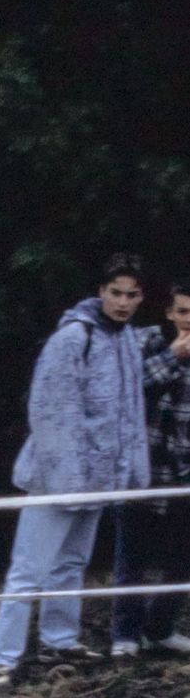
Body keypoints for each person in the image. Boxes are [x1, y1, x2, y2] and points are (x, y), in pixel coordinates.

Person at [0, 255, 148, 689]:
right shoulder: (74, 338)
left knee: (71, 563)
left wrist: (126, 470)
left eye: (132, 294)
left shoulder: (126, 340)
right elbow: (50, 411)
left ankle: (59, 640)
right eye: (116, 292)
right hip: (57, 478)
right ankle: (2, 658)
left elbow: (130, 412)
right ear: (100, 291)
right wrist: (67, 478)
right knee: (27, 571)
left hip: (98, 478)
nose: (123, 302)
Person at [113, 279, 190, 657]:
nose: (189, 321)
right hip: (141, 473)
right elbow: (126, 391)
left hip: (184, 476)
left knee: (182, 562)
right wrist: (173, 356)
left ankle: (159, 628)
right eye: (184, 312)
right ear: (170, 312)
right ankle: (124, 636)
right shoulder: (145, 342)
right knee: (133, 560)